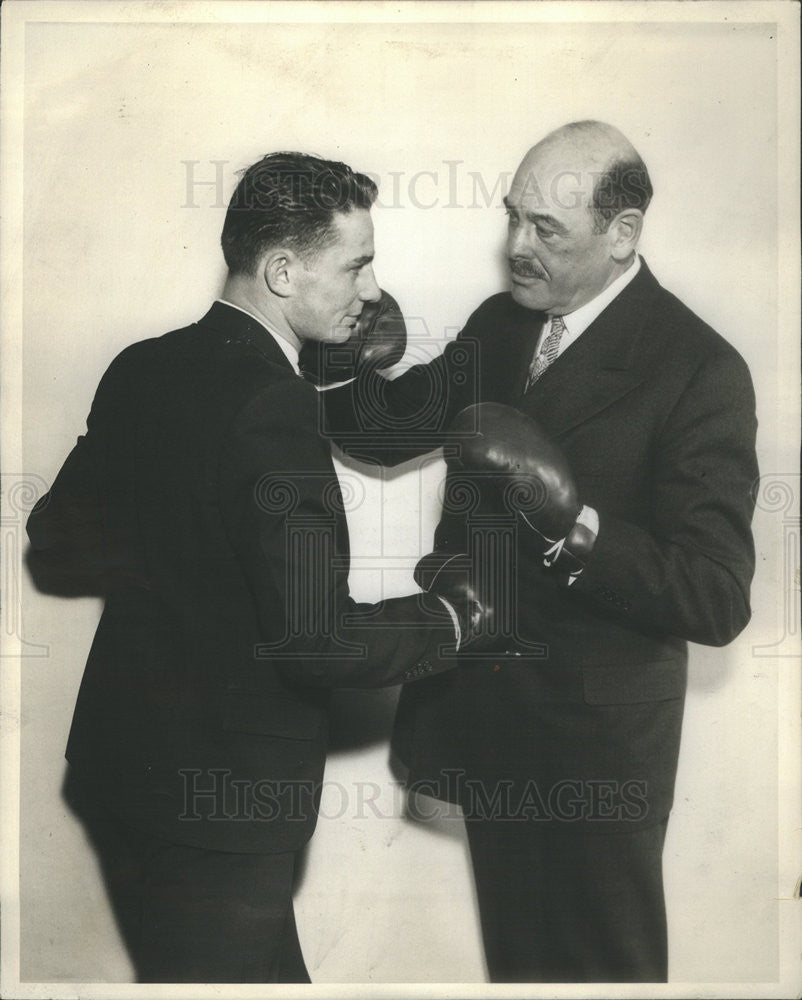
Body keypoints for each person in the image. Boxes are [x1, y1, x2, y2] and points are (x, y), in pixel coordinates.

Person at [25, 151, 491, 984]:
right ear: (282, 270)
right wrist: (449, 618)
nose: (373, 289)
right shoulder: (273, 412)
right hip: (225, 810)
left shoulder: (144, 365)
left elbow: (56, 536)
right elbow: (318, 642)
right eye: (356, 263)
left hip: (122, 776)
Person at [315, 121, 759, 983]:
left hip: (596, 757)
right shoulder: (503, 323)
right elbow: (383, 431)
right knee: (521, 969)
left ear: (621, 232)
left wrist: (574, 523)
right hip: (488, 720)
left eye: (545, 230)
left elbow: (717, 597)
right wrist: (340, 354)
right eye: (512, 217)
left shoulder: (700, 369)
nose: (515, 246)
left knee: (603, 971)